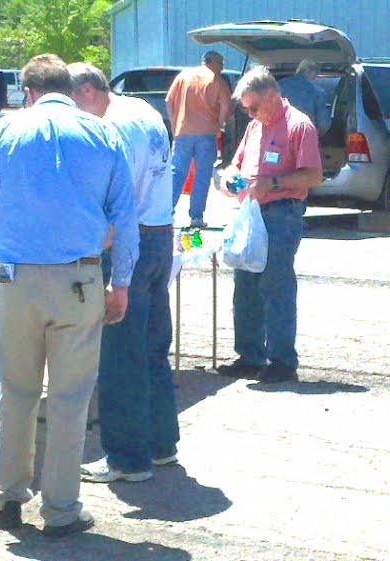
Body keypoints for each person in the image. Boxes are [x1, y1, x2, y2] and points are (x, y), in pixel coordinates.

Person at [0, 54, 138, 537]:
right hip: (78, 281)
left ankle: (6, 496)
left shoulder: (5, 131)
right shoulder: (103, 134)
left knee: (17, 391)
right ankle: (61, 508)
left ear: (28, 92)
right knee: (69, 398)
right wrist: (120, 281)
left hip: (13, 281)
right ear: (70, 87)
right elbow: (124, 218)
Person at [65, 63, 181, 484]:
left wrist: (89, 248)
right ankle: (160, 444)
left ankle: (127, 459)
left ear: (89, 92)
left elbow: (120, 206)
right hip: (159, 234)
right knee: (151, 348)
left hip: (133, 241)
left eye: (74, 104)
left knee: (119, 355)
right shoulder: (144, 112)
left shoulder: (114, 127)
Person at [213, 66, 323, 384]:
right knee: (245, 285)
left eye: (253, 107)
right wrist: (230, 175)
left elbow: (313, 175)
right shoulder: (256, 127)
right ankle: (249, 356)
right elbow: (236, 163)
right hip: (251, 213)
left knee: (275, 286)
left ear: (273, 96)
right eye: (245, 109)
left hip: (281, 215)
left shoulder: (299, 126)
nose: (249, 114)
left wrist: (273, 183)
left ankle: (282, 360)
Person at [166, 51, 233, 229]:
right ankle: (196, 217)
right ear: (214, 63)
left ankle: (165, 213)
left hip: (182, 133)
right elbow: (226, 106)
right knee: (202, 176)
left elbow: (168, 100)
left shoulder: (183, 76)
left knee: (177, 173)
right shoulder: (216, 80)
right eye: (221, 64)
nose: (222, 68)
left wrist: (175, 125)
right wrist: (219, 125)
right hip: (207, 134)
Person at [278, 59, 330, 132]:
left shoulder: (280, 84)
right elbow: (323, 124)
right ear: (312, 73)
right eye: (316, 75)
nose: (315, 78)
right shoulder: (317, 92)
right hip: (304, 133)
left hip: (280, 132)